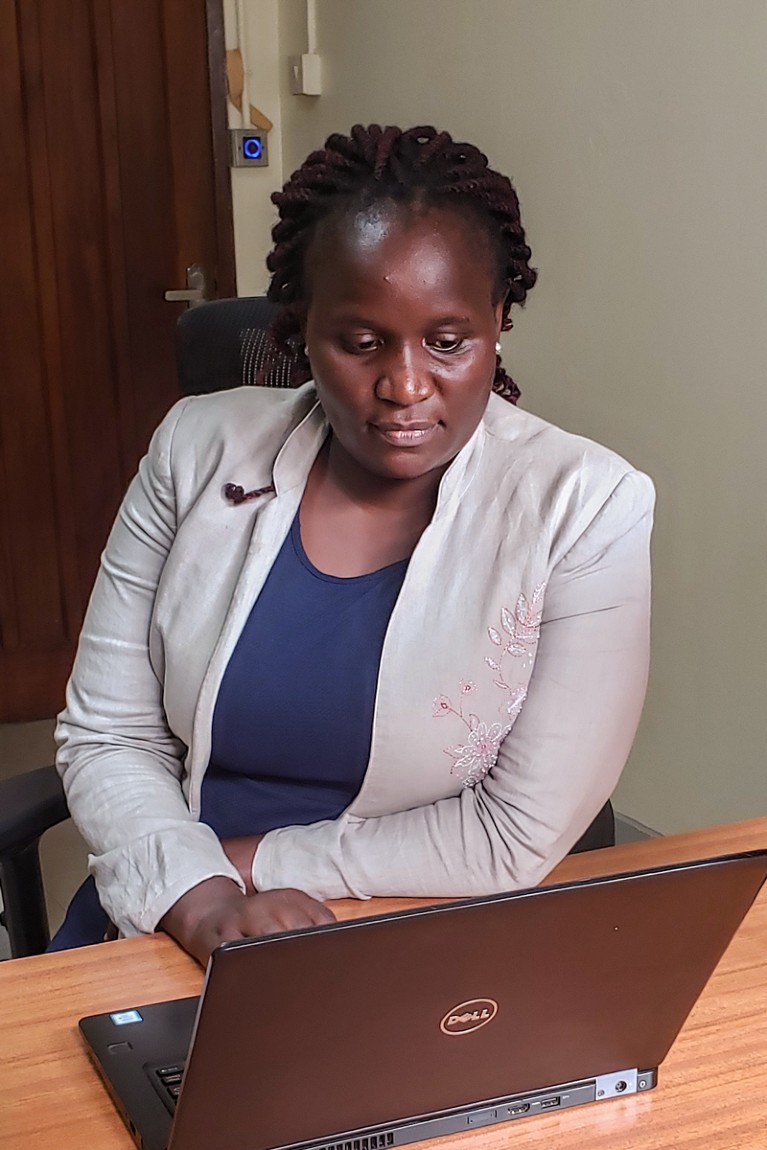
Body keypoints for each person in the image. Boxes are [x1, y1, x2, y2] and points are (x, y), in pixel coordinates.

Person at [53, 124, 654, 965]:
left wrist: (250, 869)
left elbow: (515, 832)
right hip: (160, 904)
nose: (406, 386)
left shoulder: (584, 505)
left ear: (498, 321)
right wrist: (194, 898)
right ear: (300, 331)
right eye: (362, 342)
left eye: (448, 343)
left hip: (411, 927)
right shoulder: (196, 449)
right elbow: (109, 733)